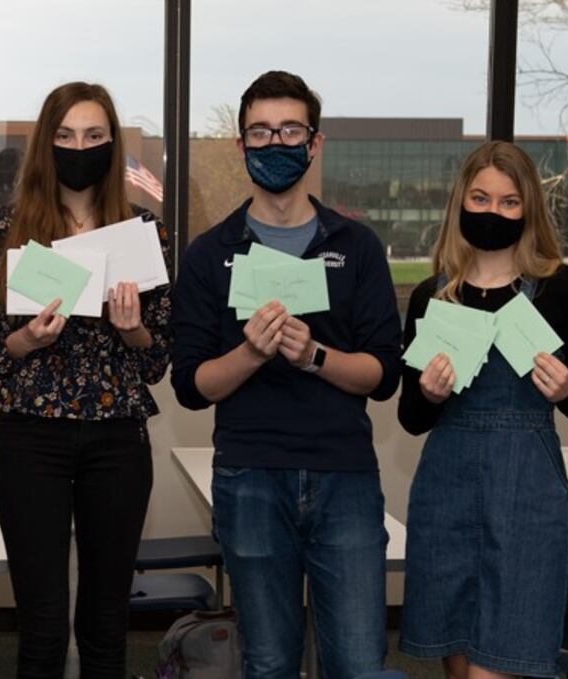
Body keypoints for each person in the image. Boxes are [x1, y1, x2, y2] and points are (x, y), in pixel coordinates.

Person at [170, 70, 403, 677]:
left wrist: (314, 356)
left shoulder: (356, 245)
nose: (276, 143)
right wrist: (251, 353)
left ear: (315, 142)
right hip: (249, 475)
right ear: (241, 145)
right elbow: (191, 388)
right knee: (268, 661)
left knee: (357, 661)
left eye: (290, 130)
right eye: (261, 132)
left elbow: (383, 374)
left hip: (344, 476)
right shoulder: (209, 252)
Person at [0, 81, 173, 679]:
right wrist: (29, 337)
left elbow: (157, 364)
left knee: (105, 621)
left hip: (117, 441)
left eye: (92, 136)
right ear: (46, 144)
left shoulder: (145, 233)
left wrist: (134, 329)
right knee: (39, 623)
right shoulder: (9, 230)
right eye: (65, 136)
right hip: (31, 438)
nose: (78, 147)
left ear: (112, 144)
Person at [396, 141, 568, 678]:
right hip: (446, 489)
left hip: (526, 491)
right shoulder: (433, 298)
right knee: (458, 659)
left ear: (528, 209)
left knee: (501, 662)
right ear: (461, 202)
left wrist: (566, 390)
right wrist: (432, 393)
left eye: (509, 203)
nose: (494, 212)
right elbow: (410, 418)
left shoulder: (564, 290)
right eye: (481, 198)